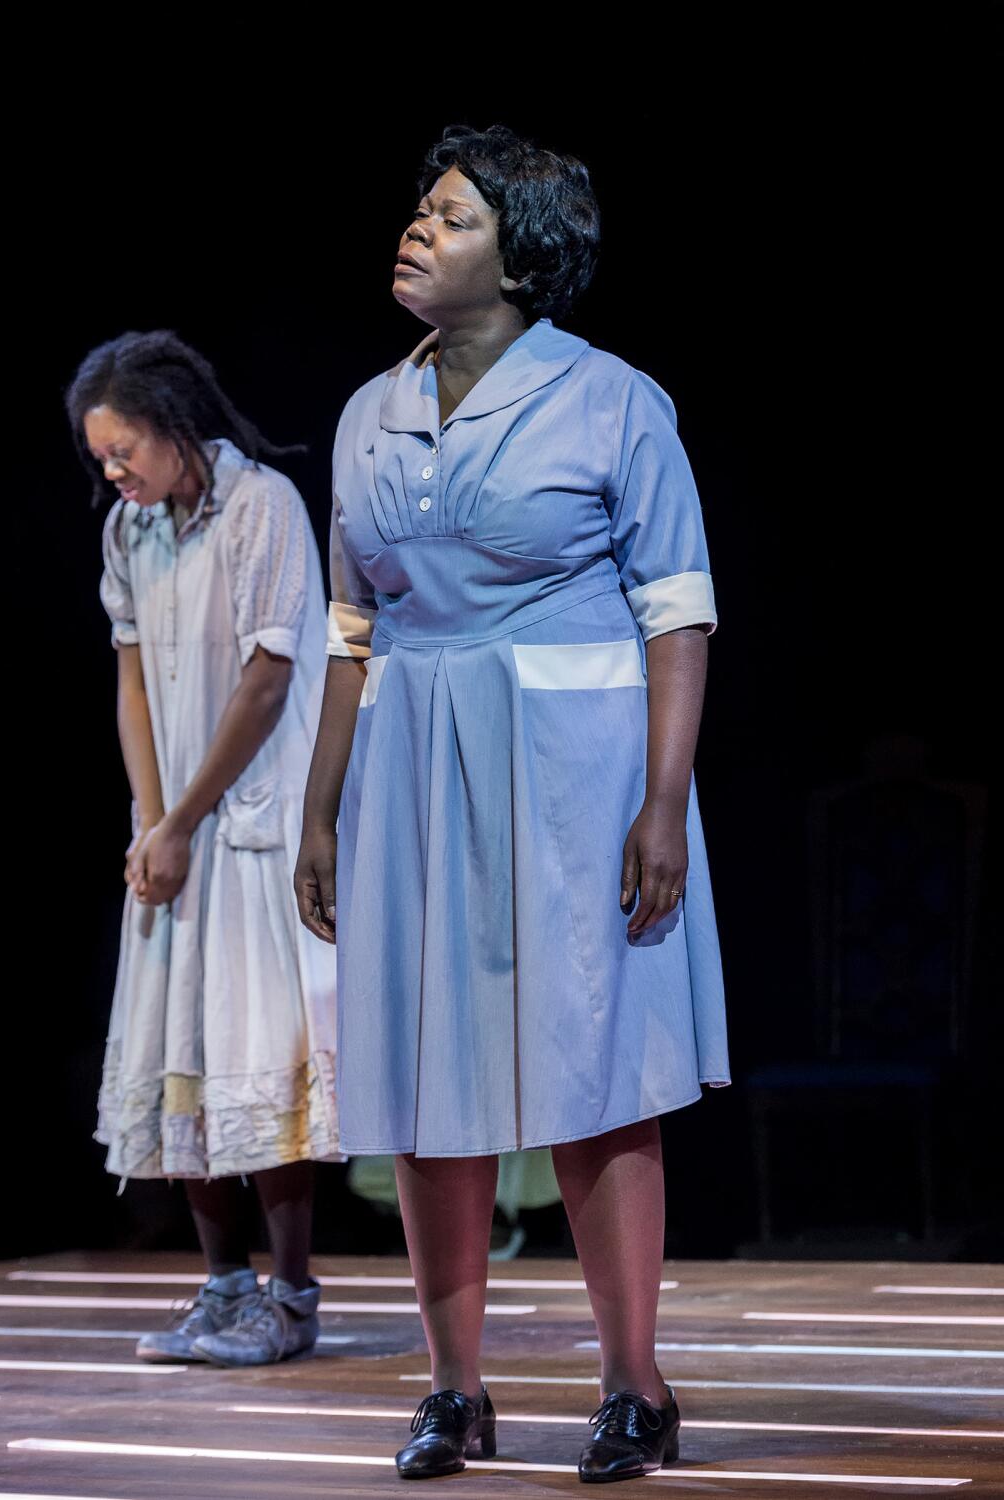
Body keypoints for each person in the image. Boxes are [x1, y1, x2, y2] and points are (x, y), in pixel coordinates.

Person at [295, 125, 730, 1481]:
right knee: (430, 1082)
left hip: (576, 766)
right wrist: (319, 808)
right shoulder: (370, 413)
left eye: (452, 216)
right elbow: (349, 632)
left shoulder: (613, 402)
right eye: (419, 211)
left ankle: (635, 1386)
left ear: (522, 256)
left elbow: (679, 616)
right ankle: (454, 1389)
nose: (419, 230)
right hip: (416, 763)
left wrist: (664, 800)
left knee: (595, 1073)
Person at [67, 330, 340, 1368]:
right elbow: (131, 681)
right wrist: (151, 821)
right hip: (178, 834)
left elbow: (268, 680)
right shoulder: (132, 535)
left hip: (255, 827)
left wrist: (183, 821)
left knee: (258, 1059)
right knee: (178, 1054)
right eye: (101, 457)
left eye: (125, 448)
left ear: (177, 430)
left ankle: (293, 1293)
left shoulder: (261, 505)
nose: (114, 471)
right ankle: (223, 1287)